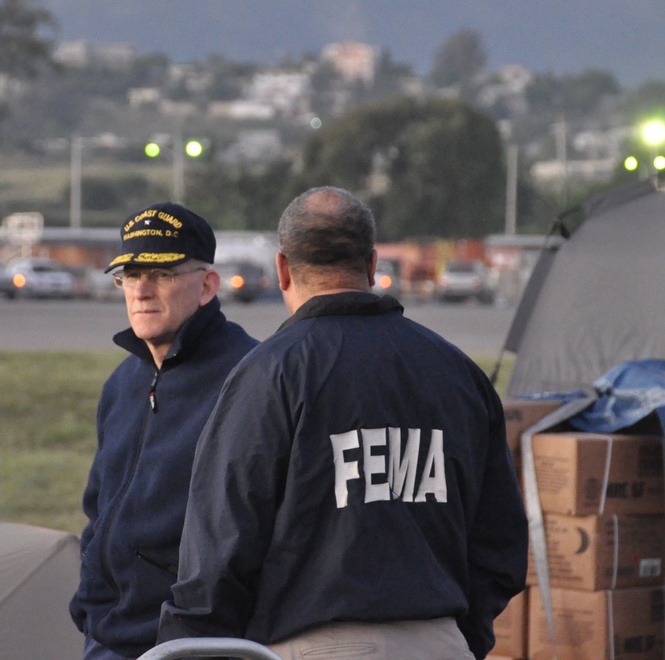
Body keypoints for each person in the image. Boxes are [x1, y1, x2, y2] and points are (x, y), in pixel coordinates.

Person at [157, 187, 527, 660]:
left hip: (313, 644)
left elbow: (222, 547)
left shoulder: (268, 374)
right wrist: (458, 635)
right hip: (441, 639)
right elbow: (500, 542)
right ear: (373, 265)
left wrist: (190, 644)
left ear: (283, 269)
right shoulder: (459, 373)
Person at [69, 201, 259, 659]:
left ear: (208, 285)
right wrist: (90, 606)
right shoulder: (121, 383)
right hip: (108, 637)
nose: (142, 291)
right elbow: (99, 510)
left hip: (195, 644)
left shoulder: (251, 378)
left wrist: (191, 626)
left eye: (164, 274)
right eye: (130, 276)